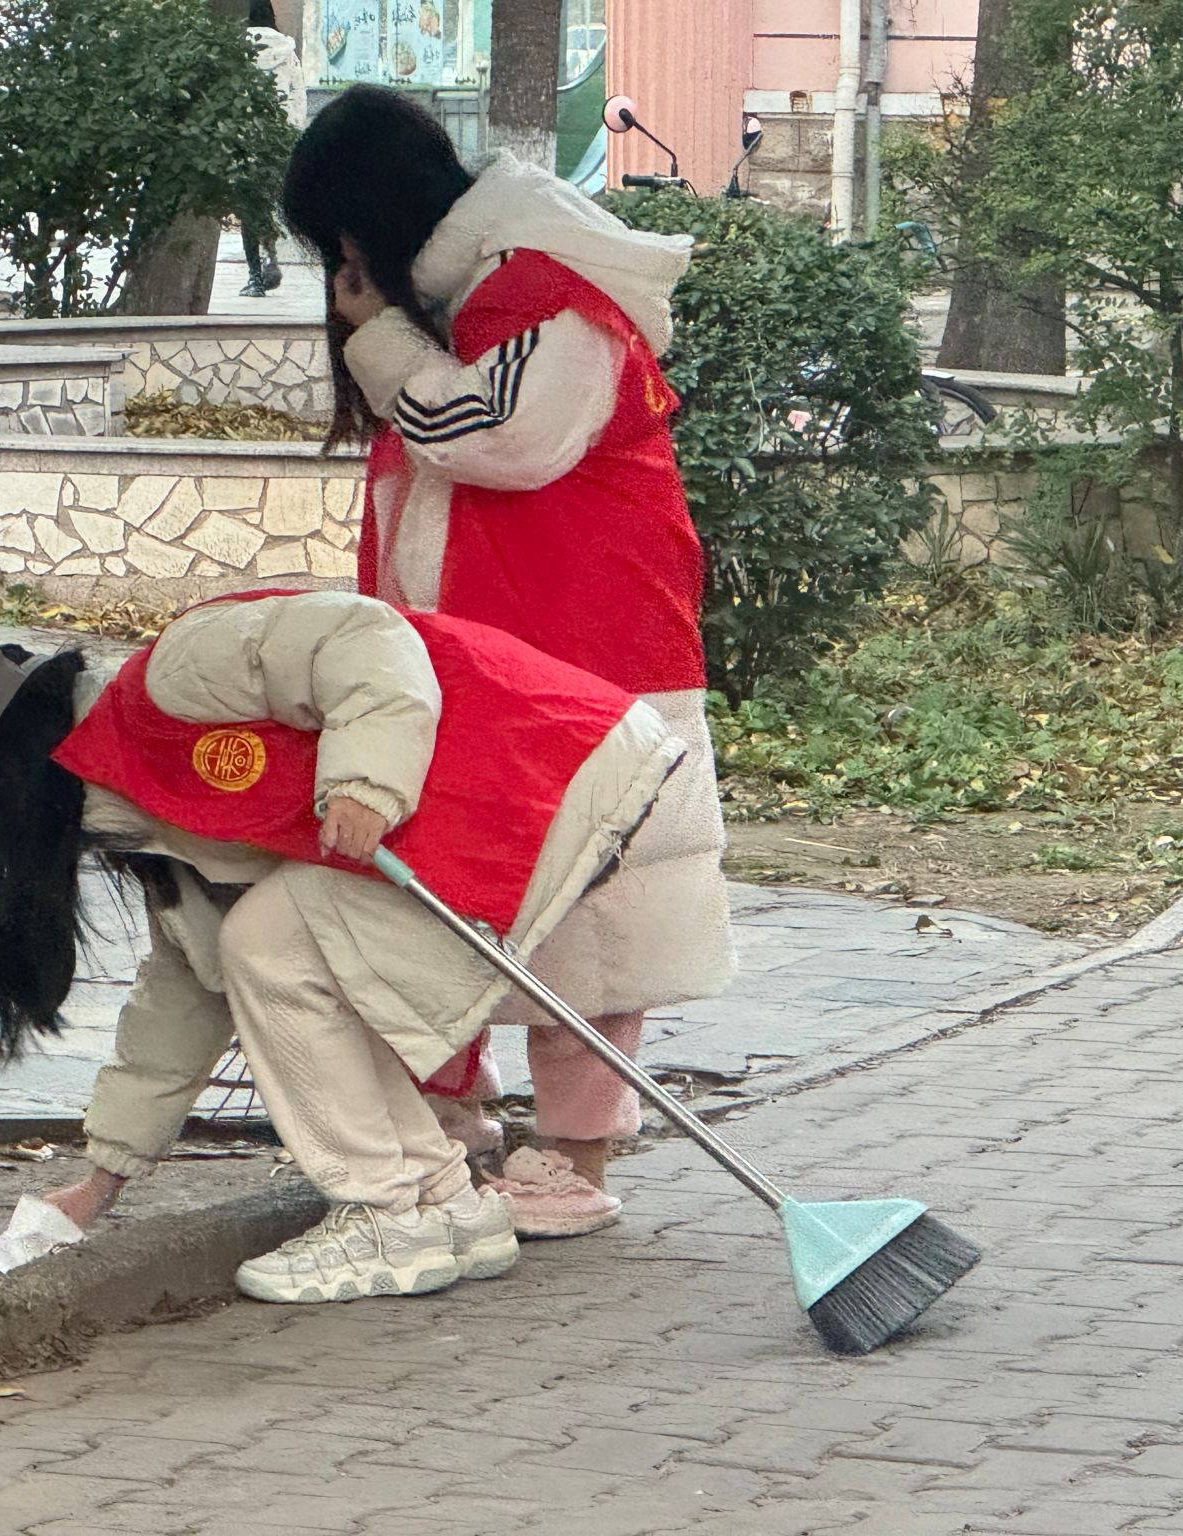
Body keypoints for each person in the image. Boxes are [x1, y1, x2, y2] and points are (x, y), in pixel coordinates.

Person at [0, 590, 688, 1303]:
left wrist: (366, 783)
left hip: (542, 764)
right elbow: (182, 1000)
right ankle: (446, 1205)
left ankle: (384, 1214)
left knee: (268, 941)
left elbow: (365, 634)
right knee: (281, 950)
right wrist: (101, 1182)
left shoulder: (174, 675)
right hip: (513, 793)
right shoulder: (155, 826)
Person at [281, 85, 735, 1238]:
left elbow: (501, 441)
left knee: (599, 914)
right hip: (486, 655)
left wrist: (375, 338)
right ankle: (457, 1126)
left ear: (363, 225)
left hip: (586, 650)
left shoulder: (548, 292)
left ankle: (573, 1155)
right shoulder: (477, 294)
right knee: (450, 900)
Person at [240, 0, 305, 298]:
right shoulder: (288, 54)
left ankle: (256, 276)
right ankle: (271, 259)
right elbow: (298, 100)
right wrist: (291, 136)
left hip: (245, 141)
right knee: (269, 203)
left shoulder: (237, 51)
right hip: (279, 140)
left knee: (250, 207)